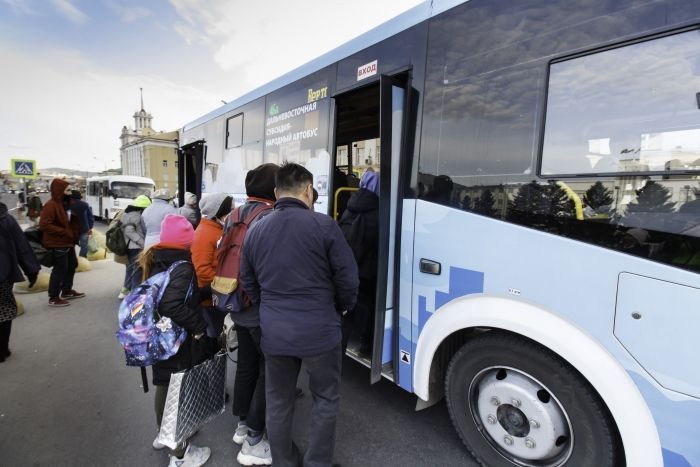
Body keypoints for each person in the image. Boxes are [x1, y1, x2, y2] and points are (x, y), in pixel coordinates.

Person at [240, 162, 358, 467]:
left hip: (275, 332)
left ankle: (285, 461)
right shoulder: (323, 225)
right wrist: (343, 306)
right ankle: (318, 463)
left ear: (278, 193)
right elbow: (347, 278)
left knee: (278, 402)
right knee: (325, 399)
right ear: (308, 191)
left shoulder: (256, 230)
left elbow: (248, 281)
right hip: (320, 330)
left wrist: (268, 307)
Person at [138, 214, 213, 466]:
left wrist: (206, 291)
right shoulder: (182, 266)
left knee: (165, 382)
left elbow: (173, 296)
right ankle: (180, 455)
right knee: (174, 388)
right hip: (175, 338)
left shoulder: (159, 259)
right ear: (185, 242)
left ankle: (165, 435)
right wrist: (198, 325)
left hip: (159, 334)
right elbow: (171, 303)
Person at [226, 163, 278, 466]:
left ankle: (242, 425)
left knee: (246, 366)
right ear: (274, 188)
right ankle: (254, 442)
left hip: (236, 303)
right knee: (266, 371)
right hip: (259, 308)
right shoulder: (269, 218)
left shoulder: (235, 214)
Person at [338, 171, 379, 356]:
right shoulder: (379, 211)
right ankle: (366, 345)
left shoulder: (350, 206)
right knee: (371, 306)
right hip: (368, 272)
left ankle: (338, 348)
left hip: (349, 267)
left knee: (349, 310)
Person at [0, 197, 40, 362]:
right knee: (3, 308)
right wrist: (31, 270)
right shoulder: (6, 219)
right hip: (3, 273)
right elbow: (21, 245)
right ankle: (1, 350)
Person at [192, 192, 233, 337]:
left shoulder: (218, 229)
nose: (232, 213)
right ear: (218, 212)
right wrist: (226, 284)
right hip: (211, 300)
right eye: (230, 210)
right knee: (216, 336)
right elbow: (201, 270)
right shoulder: (203, 234)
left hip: (220, 296)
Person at [39, 178, 84, 307]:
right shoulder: (51, 205)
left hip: (67, 242)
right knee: (60, 269)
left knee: (71, 265)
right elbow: (44, 225)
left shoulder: (64, 204)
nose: (70, 192)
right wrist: (64, 232)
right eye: (67, 190)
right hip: (57, 243)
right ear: (59, 191)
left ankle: (67, 291)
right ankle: (53, 297)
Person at [119, 194, 151, 299]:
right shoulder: (136, 216)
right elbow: (129, 231)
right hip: (135, 247)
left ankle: (125, 290)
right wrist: (142, 243)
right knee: (137, 270)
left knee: (130, 268)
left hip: (129, 247)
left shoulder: (127, 214)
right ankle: (134, 294)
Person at [68, 190, 94, 258]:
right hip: (84, 229)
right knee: (84, 246)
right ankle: (81, 259)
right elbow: (90, 217)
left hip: (71, 230)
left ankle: (72, 260)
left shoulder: (66, 204)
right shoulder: (84, 204)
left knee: (70, 246)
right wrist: (90, 228)